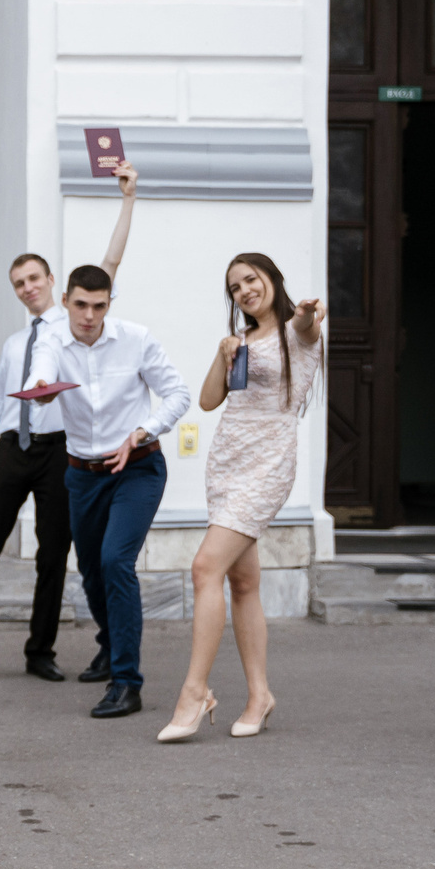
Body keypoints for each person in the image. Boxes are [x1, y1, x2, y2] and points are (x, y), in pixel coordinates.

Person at [0, 160, 143, 681]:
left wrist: (128, 200)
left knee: (53, 556)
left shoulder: (74, 323)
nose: (27, 288)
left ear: (53, 281)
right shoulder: (13, 344)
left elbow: (110, 262)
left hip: (57, 452)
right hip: (11, 449)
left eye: (33, 278)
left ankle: (39, 652)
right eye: (18, 283)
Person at [157, 254, 324, 742]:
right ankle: (260, 696)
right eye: (235, 287)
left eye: (252, 279)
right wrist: (223, 352)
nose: (245, 290)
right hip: (227, 466)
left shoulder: (297, 334)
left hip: (267, 468)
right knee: (243, 583)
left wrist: (309, 312)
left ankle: (194, 693)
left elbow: (307, 323)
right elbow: (210, 400)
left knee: (204, 568)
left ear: (272, 279)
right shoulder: (242, 341)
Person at [50, 265, 192, 719]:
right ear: (65, 301)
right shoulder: (53, 339)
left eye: (99, 306)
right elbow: (39, 375)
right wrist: (37, 390)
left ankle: (127, 683)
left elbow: (177, 394)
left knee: (116, 561)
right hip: (83, 474)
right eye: (80, 305)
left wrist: (141, 430)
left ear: (110, 304)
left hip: (138, 468)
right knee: (91, 570)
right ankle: (111, 647)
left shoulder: (137, 339)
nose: (89, 315)